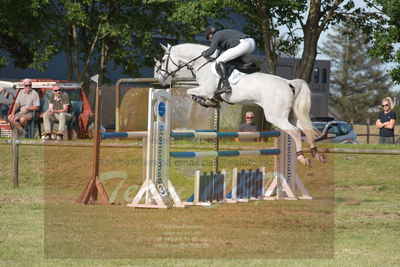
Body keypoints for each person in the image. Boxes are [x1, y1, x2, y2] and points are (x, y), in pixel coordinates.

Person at [201, 26, 256, 94]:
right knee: (233, 59)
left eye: (209, 38)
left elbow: (211, 51)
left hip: (243, 44)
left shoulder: (216, 35)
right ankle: (245, 71)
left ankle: (226, 86)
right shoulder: (224, 34)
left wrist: (204, 53)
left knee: (219, 61)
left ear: (210, 34)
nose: (210, 39)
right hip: (251, 43)